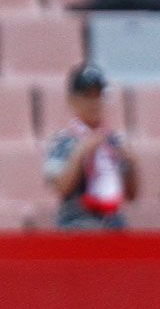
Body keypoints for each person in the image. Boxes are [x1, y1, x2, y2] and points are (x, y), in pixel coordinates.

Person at [44, 64, 140, 230]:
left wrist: (131, 165)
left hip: (112, 222)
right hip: (76, 223)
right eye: (87, 96)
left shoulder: (114, 141)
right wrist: (80, 153)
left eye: (98, 96)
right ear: (72, 100)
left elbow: (131, 195)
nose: (94, 103)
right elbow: (61, 188)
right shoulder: (62, 142)